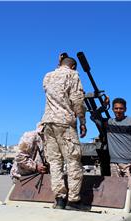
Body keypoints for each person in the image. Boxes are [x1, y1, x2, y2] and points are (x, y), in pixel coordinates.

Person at [41, 56, 87, 210]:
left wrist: (59, 63)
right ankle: (73, 200)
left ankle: (60, 199)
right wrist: (82, 121)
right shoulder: (73, 75)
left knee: (55, 162)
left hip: (48, 123)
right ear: (74, 66)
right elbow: (77, 100)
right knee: (73, 160)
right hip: (65, 123)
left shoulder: (48, 76)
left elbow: (53, 89)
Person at [107, 98, 131, 194]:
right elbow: (94, 117)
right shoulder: (109, 123)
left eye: (121, 108)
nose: (118, 111)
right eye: (116, 108)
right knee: (116, 190)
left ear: (125, 109)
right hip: (114, 164)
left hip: (129, 163)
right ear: (112, 109)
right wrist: (104, 106)